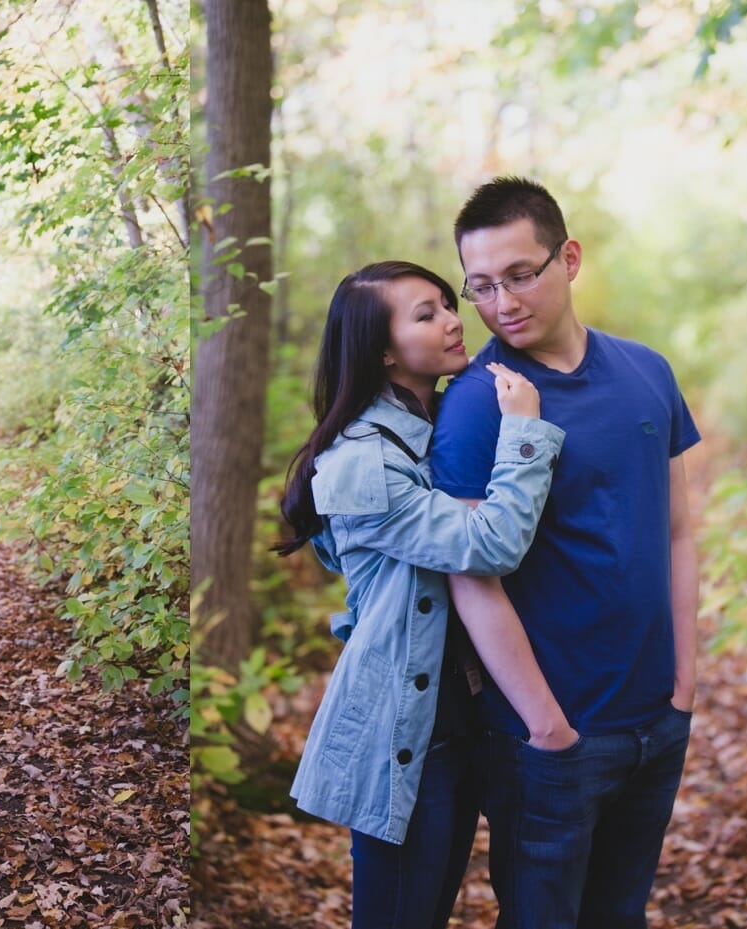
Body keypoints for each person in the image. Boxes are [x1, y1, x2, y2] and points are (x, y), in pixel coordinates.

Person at [429, 176, 700, 929]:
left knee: (620, 915)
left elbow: (676, 529)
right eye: (480, 285)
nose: (502, 301)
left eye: (520, 274)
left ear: (568, 258)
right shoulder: (478, 404)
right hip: (548, 742)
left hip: (657, 717)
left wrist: (684, 682)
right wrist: (546, 727)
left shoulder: (648, 372)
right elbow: (471, 578)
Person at [278, 260, 567, 929]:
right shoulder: (364, 460)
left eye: (446, 303)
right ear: (383, 350)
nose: (450, 319)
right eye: (424, 313)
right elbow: (488, 545)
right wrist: (524, 431)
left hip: (456, 721)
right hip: (404, 733)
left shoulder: (427, 430)